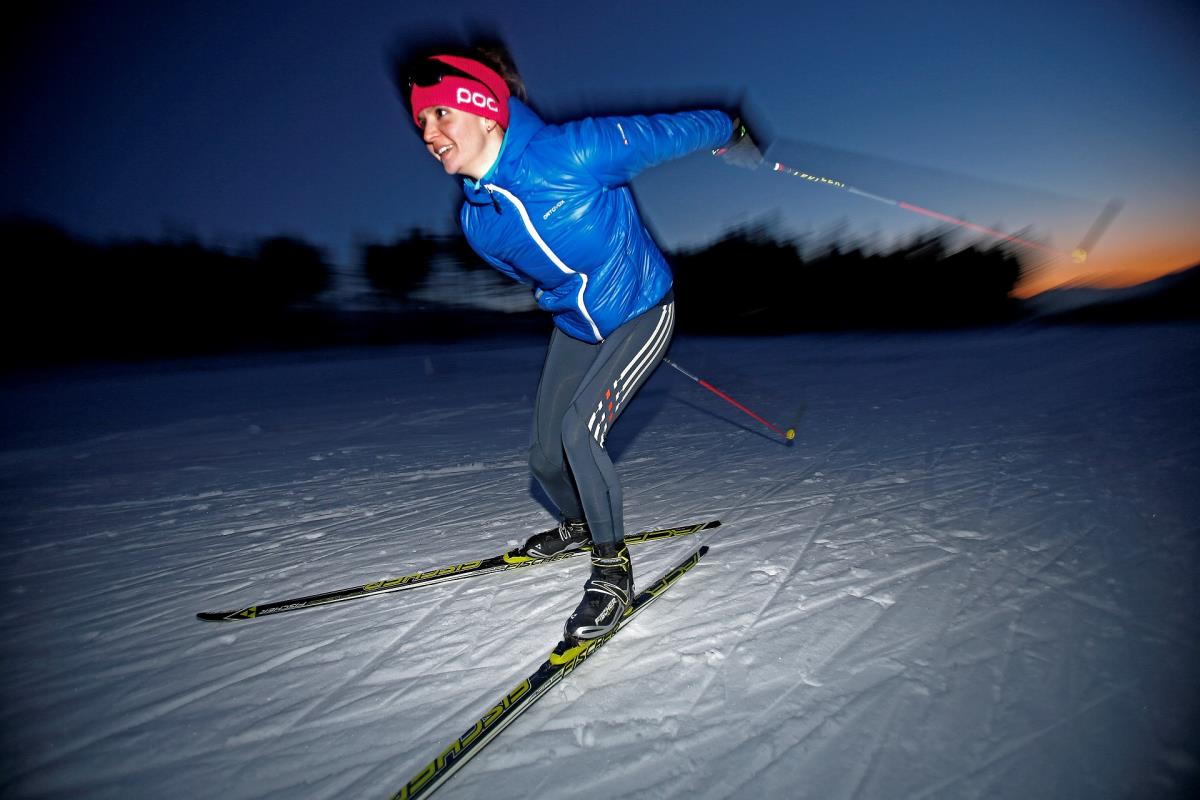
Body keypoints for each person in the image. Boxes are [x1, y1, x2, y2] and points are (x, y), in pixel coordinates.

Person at [394, 44, 761, 652]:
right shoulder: (477, 223)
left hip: (643, 309)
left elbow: (672, 130)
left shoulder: (576, 152)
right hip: (576, 328)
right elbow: (543, 275)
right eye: (421, 123)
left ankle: (612, 572)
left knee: (579, 433)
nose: (429, 134)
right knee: (544, 458)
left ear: (485, 110)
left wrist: (732, 129)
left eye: (440, 116)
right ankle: (579, 526)